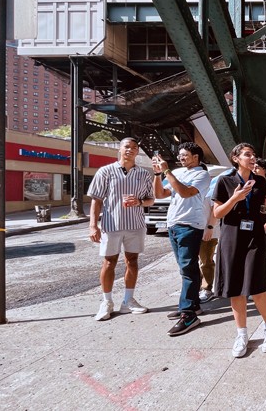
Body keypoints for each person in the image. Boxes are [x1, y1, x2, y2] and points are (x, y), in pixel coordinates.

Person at [213, 144, 266, 358]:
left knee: (257, 286)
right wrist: (235, 198)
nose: (252, 158)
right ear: (236, 158)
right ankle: (242, 334)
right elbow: (217, 213)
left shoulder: (260, 182)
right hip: (231, 237)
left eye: (254, 154)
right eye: (247, 154)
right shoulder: (225, 181)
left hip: (255, 236)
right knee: (235, 288)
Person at [87, 137, 154, 321]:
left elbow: (150, 199)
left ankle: (128, 300)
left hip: (135, 224)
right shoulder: (106, 171)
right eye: (127, 146)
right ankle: (106, 302)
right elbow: (96, 200)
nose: (130, 150)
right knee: (109, 262)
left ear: (137, 151)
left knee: (132, 261)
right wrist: (93, 225)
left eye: (134, 147)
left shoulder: (144, 174)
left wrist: (139, 201)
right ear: (120, 148)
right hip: (112, 225)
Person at [153, 142, 211, 336]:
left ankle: (188, 314)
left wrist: (167, 171)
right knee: (186, 267)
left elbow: (186, 193)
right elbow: (161, 194)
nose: (181, 158)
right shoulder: (178, 172)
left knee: (187, 267)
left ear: (196, 157)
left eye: (185, 155)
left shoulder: (201, 174)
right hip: (173, 225)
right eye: (180, 155)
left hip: (190, 225)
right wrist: (157, 174)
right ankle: (193, 305)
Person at [198, 194, 220, 304]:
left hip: (208, 231)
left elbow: (215, 209)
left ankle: (206, 289)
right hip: (193, 229)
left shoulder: (210, 188)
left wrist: (210, 227)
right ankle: (196, 287)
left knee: (206, 260)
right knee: (192, 262)